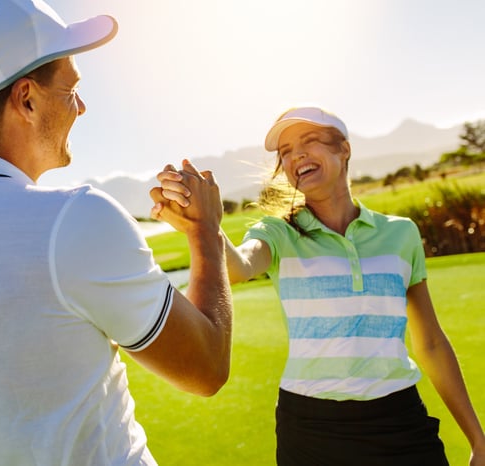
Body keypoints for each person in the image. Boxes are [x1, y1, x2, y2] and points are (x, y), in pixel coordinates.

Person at [0, 1, 233, 465]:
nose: (82, 106)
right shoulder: (77, 217)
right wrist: (205, 232)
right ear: (27, 99)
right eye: (71, 89)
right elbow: (206, 368)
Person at [151, 107, 485, 465]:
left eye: (309, 142)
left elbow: (431, 342)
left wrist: (478, 440)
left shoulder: (400, 232)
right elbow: (239, 265)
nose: (296, 156)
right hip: (311, 428)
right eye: (286, 152)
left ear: (344, 149)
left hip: (400, 420)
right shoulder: (278, 232)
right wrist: (203, 225)